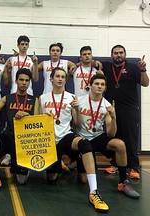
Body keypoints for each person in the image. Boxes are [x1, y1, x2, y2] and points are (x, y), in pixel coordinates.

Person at [35, 67, 109, 213]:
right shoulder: (42, 98)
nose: (60, 79)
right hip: (49, 141)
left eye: (63, 77)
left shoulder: (72, 98)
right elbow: (36, 122)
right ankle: (59, 163)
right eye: (57, 76)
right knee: (51, 178)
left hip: (66, 136)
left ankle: (93, 191)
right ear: (51, 79)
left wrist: (76, 110)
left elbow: (78, 124)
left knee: (85, 144)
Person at [76, 74, 140, 199]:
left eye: (102, 84)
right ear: (90, 85)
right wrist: (76, 110)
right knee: (83, 180)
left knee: (120, 144)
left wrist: (114, 117)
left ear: (105, 88)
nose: (99, 86)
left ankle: (123, 182)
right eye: (97, 84)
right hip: (83, 139)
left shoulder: (107, 105)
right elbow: (75, 125)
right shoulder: (79, 101)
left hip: (98, 137)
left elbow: (111, 134)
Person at [102, 45, 149, 179]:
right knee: (115, 137)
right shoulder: (106, 67)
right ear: (111, 55)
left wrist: (143, 70)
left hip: (130, 108)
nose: (118, 55)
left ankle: (133, 166)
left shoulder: (134, 68)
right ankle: (115, 164)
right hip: (113, 109)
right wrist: (96, 64)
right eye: (116, 53)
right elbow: (94, 63)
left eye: (121, 53)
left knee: (130, 138)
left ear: (125, 54)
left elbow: (145, 83)